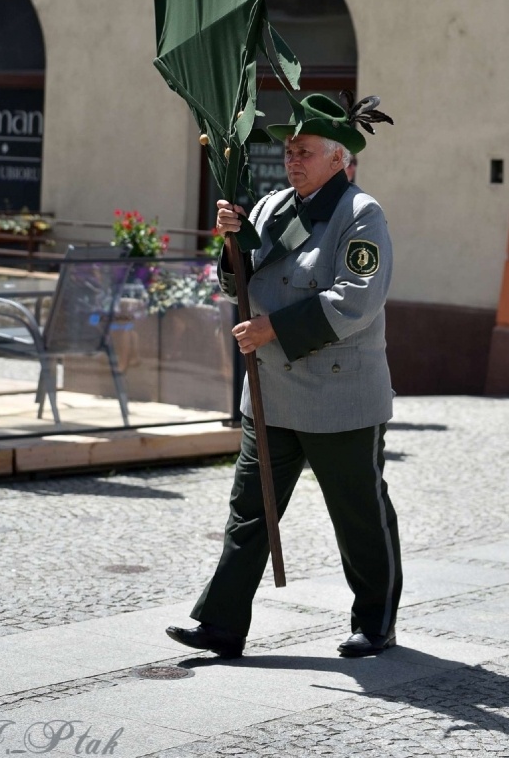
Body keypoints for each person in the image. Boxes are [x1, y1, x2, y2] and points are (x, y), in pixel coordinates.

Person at [166, 93, 401, 660]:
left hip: (339, 395)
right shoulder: (273, 207)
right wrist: (232, 243)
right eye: (289, 151)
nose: (291, 160)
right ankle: (221, 624)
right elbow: (239, 284)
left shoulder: (361, 214)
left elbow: (355, 301)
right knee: (250, 510)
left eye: (305, 151)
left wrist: (273, 329)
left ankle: (375, 623)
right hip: (271, 392)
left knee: (358, 514)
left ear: (339, 159)